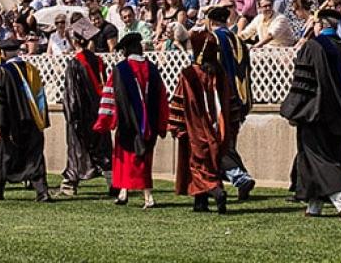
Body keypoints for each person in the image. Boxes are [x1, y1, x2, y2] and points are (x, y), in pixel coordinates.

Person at [280, 6, 341, 220]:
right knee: (329, 155)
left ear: (320, 24)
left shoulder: (313, 46)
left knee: (316, 155)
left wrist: (293, 109)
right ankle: (314, 203)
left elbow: (304, 82)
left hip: (316, 112)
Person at [93, 31, 169, 209]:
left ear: (126, 50)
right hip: (148, 124)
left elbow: (109, 96)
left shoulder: (120, 70)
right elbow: (162, 98)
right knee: (143, 159)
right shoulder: (152, 68)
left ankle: (148, 196)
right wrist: (162, 123)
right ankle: (123, 192)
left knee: (128, 158)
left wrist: (104, 121)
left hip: (126, 123)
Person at [0, 38, 52, 201]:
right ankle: (42, 192)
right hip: (32, 121)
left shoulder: (0, 72)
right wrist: (42, 121)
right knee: (34, 157)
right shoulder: (32, 69)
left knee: (2, 155)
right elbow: (40, 97)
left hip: (10, 124)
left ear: (2, 53)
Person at [168, 29, 235, 214]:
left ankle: (216, 191)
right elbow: (231, 103)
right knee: (210, 165)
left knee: (198, 167)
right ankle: (200, 203)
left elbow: (180, 102)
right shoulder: (221, 74)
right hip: (218, 130)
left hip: (195, 130)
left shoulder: (189, 74)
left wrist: (176, 126)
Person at [204, 5, 256, 198]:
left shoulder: (212, 40)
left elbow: (205, 71)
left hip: (220, 99)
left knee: (217, 143)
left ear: (210, 22)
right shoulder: (239, 40)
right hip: (240, 99)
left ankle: (239, 177)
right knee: (229, 142)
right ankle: (239, 180)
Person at [58, 18, 112, 197]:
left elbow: (72, 95)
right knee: (102, 148)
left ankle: (69, 184)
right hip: (98, 111)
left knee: (76, 150)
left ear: (74, 41)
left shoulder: (74, 64)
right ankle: (114, 183)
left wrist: (72, 115)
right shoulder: (98, 61)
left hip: (81, 113)